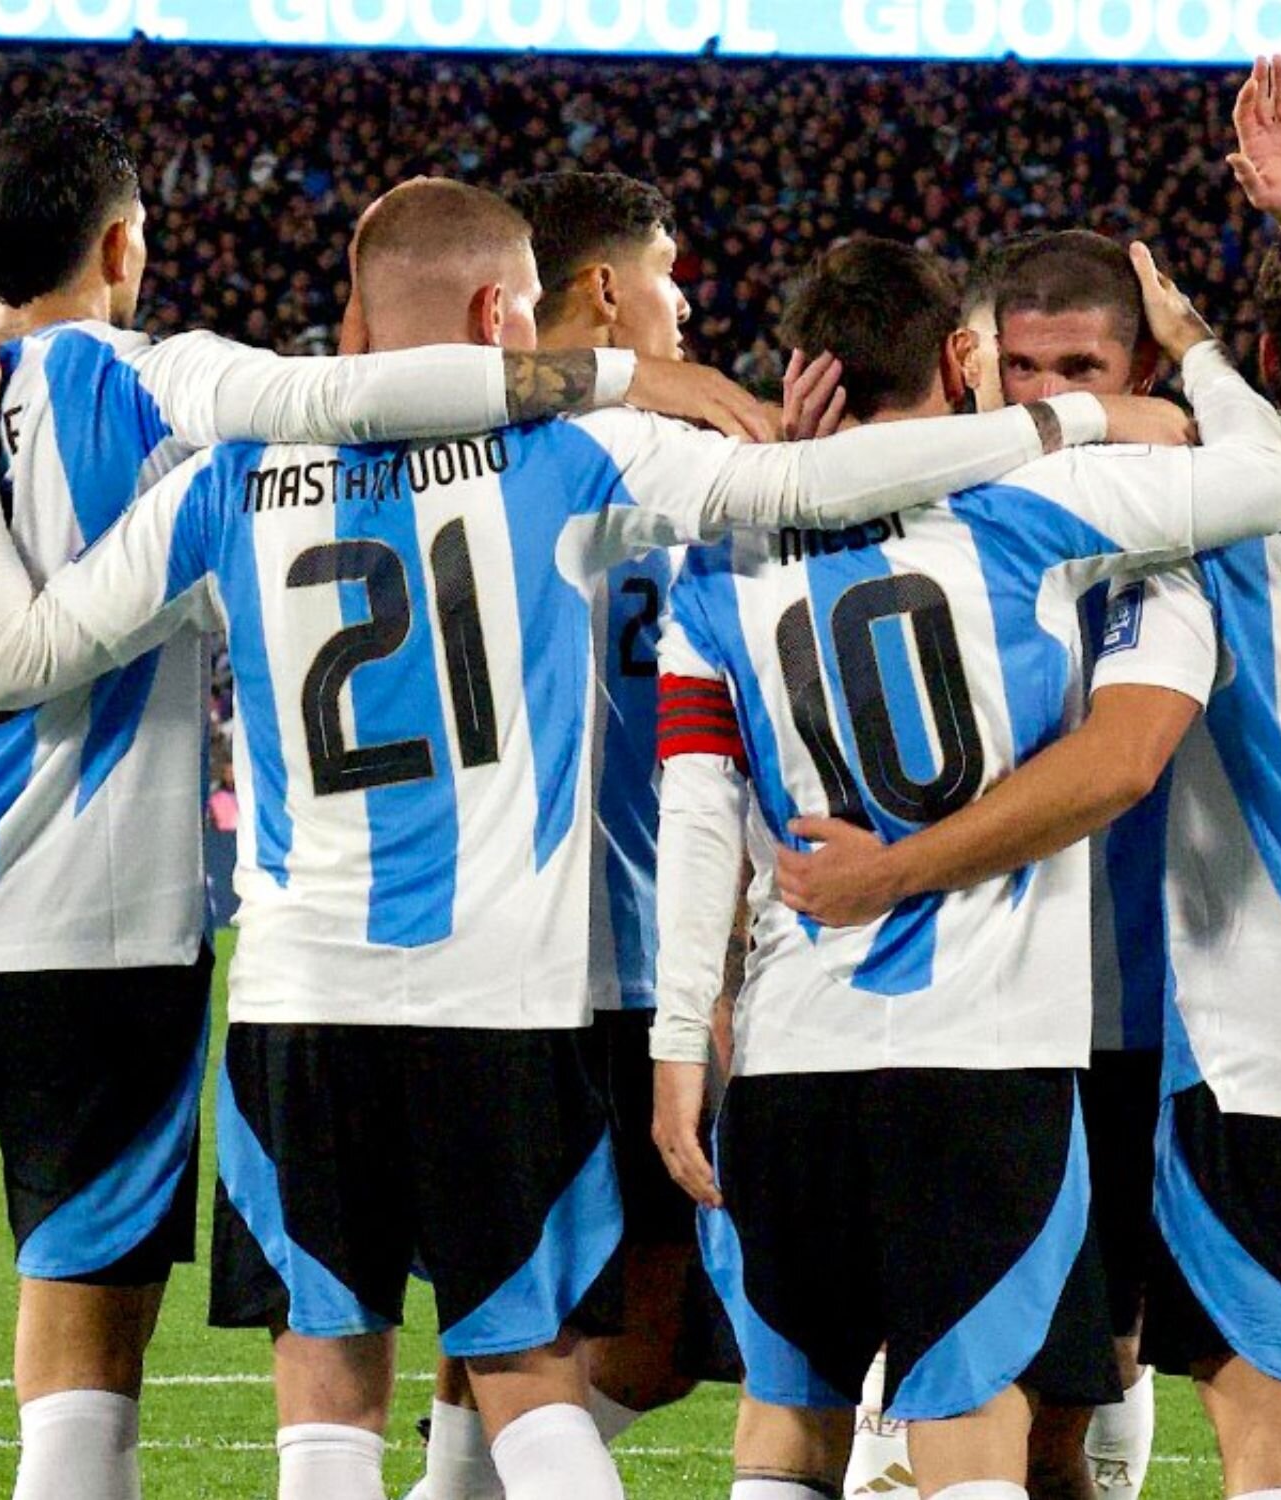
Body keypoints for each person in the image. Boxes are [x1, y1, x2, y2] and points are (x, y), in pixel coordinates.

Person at [0, 177, 1133, 1500]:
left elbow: (12, 657)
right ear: (504, 311)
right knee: (531, 1382)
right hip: (509, 1004)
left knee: (328, 1386)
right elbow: (813, 480)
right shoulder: (578, 453)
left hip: (300, 1000)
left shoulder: (233, 475)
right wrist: (1079, 423)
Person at [0, 105, 711, 1500]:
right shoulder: (171, 392)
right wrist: (604, 382)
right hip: (113, 950)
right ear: (121, 244)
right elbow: (349, 406)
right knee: (82, 1347)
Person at [774, 202, 1281, 1500]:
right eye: (1023, 371)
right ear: (974, 364)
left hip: (1159, 1022)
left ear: (1145, 370)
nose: (1050, 397)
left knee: (1093, 1400)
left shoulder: (1198, 518)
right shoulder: (944, 500)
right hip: (997, 1015)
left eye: (1083, 373)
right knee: (974, 1406)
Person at [647, 233, 1281, 1500]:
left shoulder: (713, 555)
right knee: (973, 1441)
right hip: (991, 1059)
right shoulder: (1049, 513)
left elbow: (694, 816)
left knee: (785, 1435)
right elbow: (1263, 473)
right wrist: (1123, 403)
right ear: (964, 362)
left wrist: (683, 1038)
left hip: (789, 1055)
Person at [404, 168, 744, 1500]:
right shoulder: (668, 449)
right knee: (644, 1338)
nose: (684, 298)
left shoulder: (434, 447)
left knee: (510, 1309)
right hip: (612, 951)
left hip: (489, 942)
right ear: (601, 286)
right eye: (666, 268)